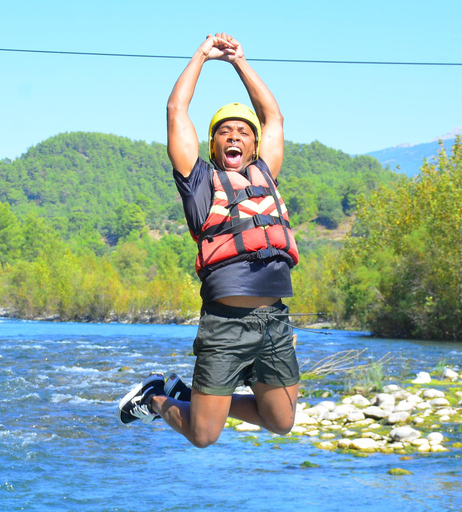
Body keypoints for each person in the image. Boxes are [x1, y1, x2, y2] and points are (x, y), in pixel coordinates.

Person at [117, 33, 301, 448]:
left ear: (254, 145)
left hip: (274, 320)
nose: (234, 137)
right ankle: (155, 397)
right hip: (225, 323)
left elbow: (274, 117)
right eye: (225, 132)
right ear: (212, 144)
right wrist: (202, 55)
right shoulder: (200, 182)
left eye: (243, 132)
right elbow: (176, 110)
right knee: (203, 435)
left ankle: (196, 399)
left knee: (281, 421)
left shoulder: (266, 174)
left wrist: (240, 61)